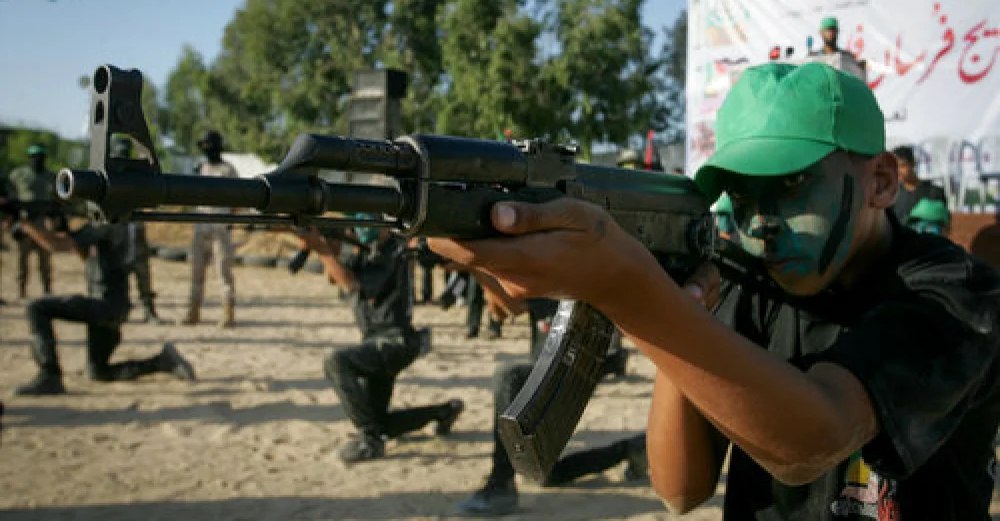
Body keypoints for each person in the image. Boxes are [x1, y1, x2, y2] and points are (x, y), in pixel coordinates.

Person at [429, 62, 1000, 519]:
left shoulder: (954, 294)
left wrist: (635, 294)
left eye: (791, 184)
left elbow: (814, 440)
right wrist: (677, 309)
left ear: (879, 181)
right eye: (742, 194)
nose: (760, 222)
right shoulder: (749, 277)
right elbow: (680, 489)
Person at [456, 292, 644, 516]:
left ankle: (501, 484)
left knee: (510, 376)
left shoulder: (559, 264)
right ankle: (630, 449)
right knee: (546, 474)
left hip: (570, 371)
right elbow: (510, 306)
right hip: (550, 371)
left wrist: (480, 270)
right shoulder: (539, 267)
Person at [309, 223, 463, 464]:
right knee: (379, 422)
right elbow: (334, 276)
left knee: (337, 361)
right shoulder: (366, 249)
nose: (361, 227)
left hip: (394, 341)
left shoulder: (393, 250)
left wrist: (320, 249)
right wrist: (332, 245)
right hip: (376, 341)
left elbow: (351, 284)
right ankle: (443, 411)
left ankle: (369, 441)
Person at [4, 204, 196, 396]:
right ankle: (162, 361)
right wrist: (63, 230)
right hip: (114, 307)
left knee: (36, 308)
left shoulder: (105, 224)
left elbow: (58, 246)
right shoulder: (123, 224)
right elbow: (86, 256)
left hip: (103, 306)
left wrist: (27, 226)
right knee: (98, 372)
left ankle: (49, 376)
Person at [180, 130, 238, 328]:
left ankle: (228, 313)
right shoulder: (201, 168)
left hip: (220, 229)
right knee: (196, 273)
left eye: (208, 145)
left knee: (223, 273)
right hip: (201, 227)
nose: (205, 149)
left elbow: (239, 199)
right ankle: (193, 312)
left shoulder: (228, 170)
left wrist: (231, 222)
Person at [110, 136, 166, 324]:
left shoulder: (137, 173)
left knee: (143, 274)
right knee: (117, 277)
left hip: (136, 229)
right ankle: (118, 311)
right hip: (116, 231)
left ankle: (149, 310)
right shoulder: (107, 173)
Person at [8, 144, 57, 298]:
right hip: (25, 222)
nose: (37, 160)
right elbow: (10, 195)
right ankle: (22, 290)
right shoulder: (19, 174)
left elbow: (57, 201)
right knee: (22, 259)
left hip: (43, 222)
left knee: (45, 259)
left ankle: (47, 290)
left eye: (40, 157)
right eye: (34, 157)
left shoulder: (51, 177)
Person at [891, 145, 949, 224]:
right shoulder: (892, 195)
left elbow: (944, 223)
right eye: (894, 167)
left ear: (913, 164)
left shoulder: (935, 192)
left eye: (902, 165)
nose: (898, 171)